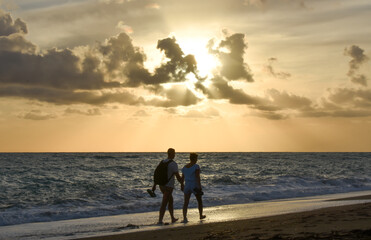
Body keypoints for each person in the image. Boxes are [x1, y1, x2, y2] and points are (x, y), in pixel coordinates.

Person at [152, 148, 183, 224]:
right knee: (165, 202)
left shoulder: (162, 162)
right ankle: (160, 220)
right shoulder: (173, 164)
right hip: (168, 186)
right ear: (172, 154)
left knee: (170, 200)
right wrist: (183, 181)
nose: (175, 155)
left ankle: (172, 218)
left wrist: (155, 185)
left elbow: (157, 174)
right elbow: (178, 177)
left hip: (161, 185)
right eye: (174, 153)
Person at [181, 153, 206, 223]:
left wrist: (181, 185)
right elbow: (197, 177)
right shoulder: (196, 166)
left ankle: (184, 217)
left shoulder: (184, 167)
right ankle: (200, 215)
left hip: (187, 185)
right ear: (195, 159)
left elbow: (182, 178)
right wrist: (199, 186)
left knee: (186, 202)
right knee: (199, 201)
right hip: (194, 185)